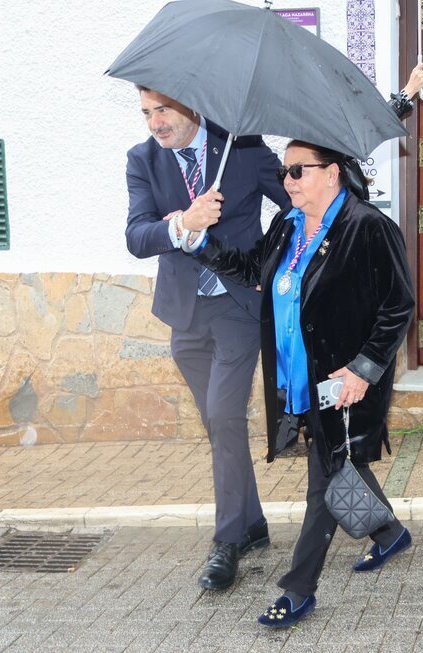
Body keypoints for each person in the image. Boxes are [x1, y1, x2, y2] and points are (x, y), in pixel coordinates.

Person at [193, 141, 415, 628]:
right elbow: (255, 272)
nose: (288, 180)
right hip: (298, 377)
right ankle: (388, 532)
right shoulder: (286, 226)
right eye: (284, 171)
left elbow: (399, 306)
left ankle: (298, 589)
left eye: (298, 170)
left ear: (332, 173)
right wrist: (199, 240)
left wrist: (364, 369)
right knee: (338, 461)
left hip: (347, 378)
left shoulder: (368, 227)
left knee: (327, 477)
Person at [124, 87, 289, 591]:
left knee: (222, 416)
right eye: (148, 113)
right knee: (221, 427)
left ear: (192, 105)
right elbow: (136, 236)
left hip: (237, 307)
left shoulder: (242, 147)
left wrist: (270, 260)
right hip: (184, 317)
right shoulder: (142, 159)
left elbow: (295, 205)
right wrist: (181, 224)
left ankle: (226, 541)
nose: (156, 122)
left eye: (164, 110)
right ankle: (254, 523)